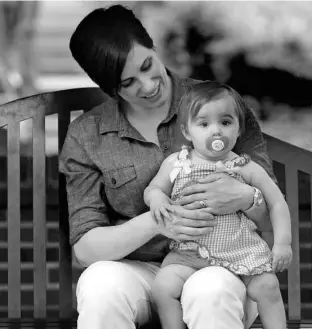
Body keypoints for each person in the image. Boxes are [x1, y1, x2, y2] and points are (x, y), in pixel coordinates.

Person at [59, 4, 276, 329]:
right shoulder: (87, 134)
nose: (147, 86)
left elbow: (273, 212)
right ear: (109, 89)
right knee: (100, 284)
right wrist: (159, 222)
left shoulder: (220, 105)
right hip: (138, 273)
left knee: (209, 290)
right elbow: (87, 250)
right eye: (128, 82)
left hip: (221, 265)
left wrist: (247, 198)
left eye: (148, 65)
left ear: (153, 46)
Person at [144, 81, 292, 329]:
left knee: (267, 286)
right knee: (162, 288)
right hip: (189, 253)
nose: (216, 131)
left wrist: (283, 243)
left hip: (240, 251)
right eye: (204, 124)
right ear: (188, 132)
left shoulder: (246, 167)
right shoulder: (176, 163)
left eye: (225, 122)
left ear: (238, 129)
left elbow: (277, 203)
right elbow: (153, 189)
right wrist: (157, 198)